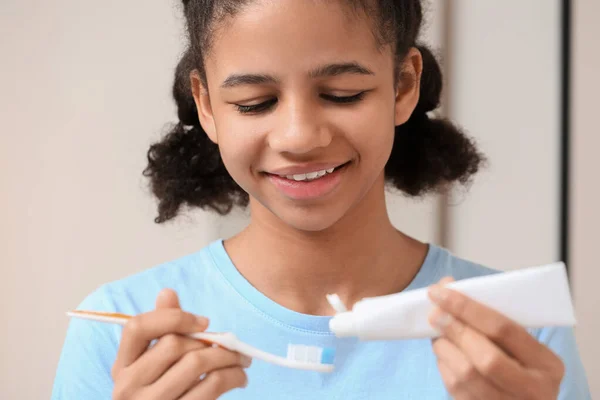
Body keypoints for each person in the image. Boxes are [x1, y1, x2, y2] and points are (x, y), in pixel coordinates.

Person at [51, 0, 591, 398]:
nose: (298, 136)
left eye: (342, 95)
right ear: (207, 105)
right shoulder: (118, 328)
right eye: (255, 102)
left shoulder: (514, 329)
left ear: (404, 85)